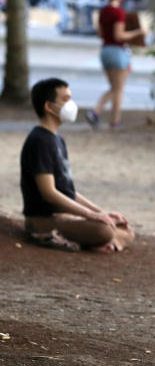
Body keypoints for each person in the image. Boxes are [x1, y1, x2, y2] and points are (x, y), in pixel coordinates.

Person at [20, 78, 135, 252]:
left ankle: (102, 243)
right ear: (49, 107)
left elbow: (69, 192)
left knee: (125, 230)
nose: (71, 104)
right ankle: (97, 242)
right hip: (44, 219)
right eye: (65, 100)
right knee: (103, 230)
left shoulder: (57, 140)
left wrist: (101, 212)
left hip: (66, 216)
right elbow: (49, 192)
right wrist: (90, 216)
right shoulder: (40, 141)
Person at [87, 0, 144, 129]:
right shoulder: (119, 12)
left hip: (105, 51)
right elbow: (119, 36)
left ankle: (97, 113)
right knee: (118, 90)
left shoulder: (103, 12)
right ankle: (111, 119)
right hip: (118, 53)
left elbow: (100, 34)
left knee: (113, 88)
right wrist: (138, 33)